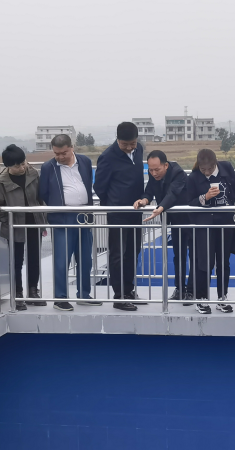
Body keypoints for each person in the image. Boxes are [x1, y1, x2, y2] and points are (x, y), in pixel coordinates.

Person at [39, 134, 97, 311]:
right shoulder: (48, 167)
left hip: (84, 216)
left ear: (72, 148)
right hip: (62, 218)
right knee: (62, 260)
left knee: (85, 259)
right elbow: (43, 192)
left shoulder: (85, 162)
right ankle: (60, 298)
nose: (60, 157)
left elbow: (88, 183)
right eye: (56, 153)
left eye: (63, 153)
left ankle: (84, 295)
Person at [94, 122, 145, 311]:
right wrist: (113, 203)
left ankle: (129, 290)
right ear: (118, 140)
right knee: (118, 255)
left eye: (133, 143)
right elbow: (100, 186)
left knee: (133, 252)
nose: (130, 147)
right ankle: (119, 296)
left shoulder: (139, 150)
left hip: (136, 211)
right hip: (117, 213)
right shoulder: (107, 157)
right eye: (125, 144)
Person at [133, 150, 194, 304]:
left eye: (157, 169)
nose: (154, 173)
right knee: (179, 255)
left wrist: (160, 208)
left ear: (166, 165)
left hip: (191, 219)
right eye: (150, 170)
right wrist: (144, 201)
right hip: (175, 221)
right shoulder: (154, 175)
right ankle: (180, 289)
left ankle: (192, 291)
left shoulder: (178, 173)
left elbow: (172, 194)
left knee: (195, 256)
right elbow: (149, 191)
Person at [0, 145, 47, 311]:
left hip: (33, 222)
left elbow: (40, 197)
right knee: (16, 261)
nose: (22, 168)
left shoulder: (33, 174)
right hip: (14, 225)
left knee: (34, 258)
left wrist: (43, 219)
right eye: (17, 166)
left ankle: (33, 291)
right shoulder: (1, 182)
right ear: (8, 166)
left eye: (23, 163)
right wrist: (7, 221)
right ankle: (18, 294)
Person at [187, 149, 235, 314]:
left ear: (215, 163)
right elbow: (189, 201)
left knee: (224, 262)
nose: (207, 172)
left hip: (226, 223)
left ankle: (222, 298)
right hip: (205, 225)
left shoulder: (226, 168)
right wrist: (205, 197)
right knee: (205, 262)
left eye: (210, 169)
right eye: (203, 169)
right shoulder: (194, 177)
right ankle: (202, 299)